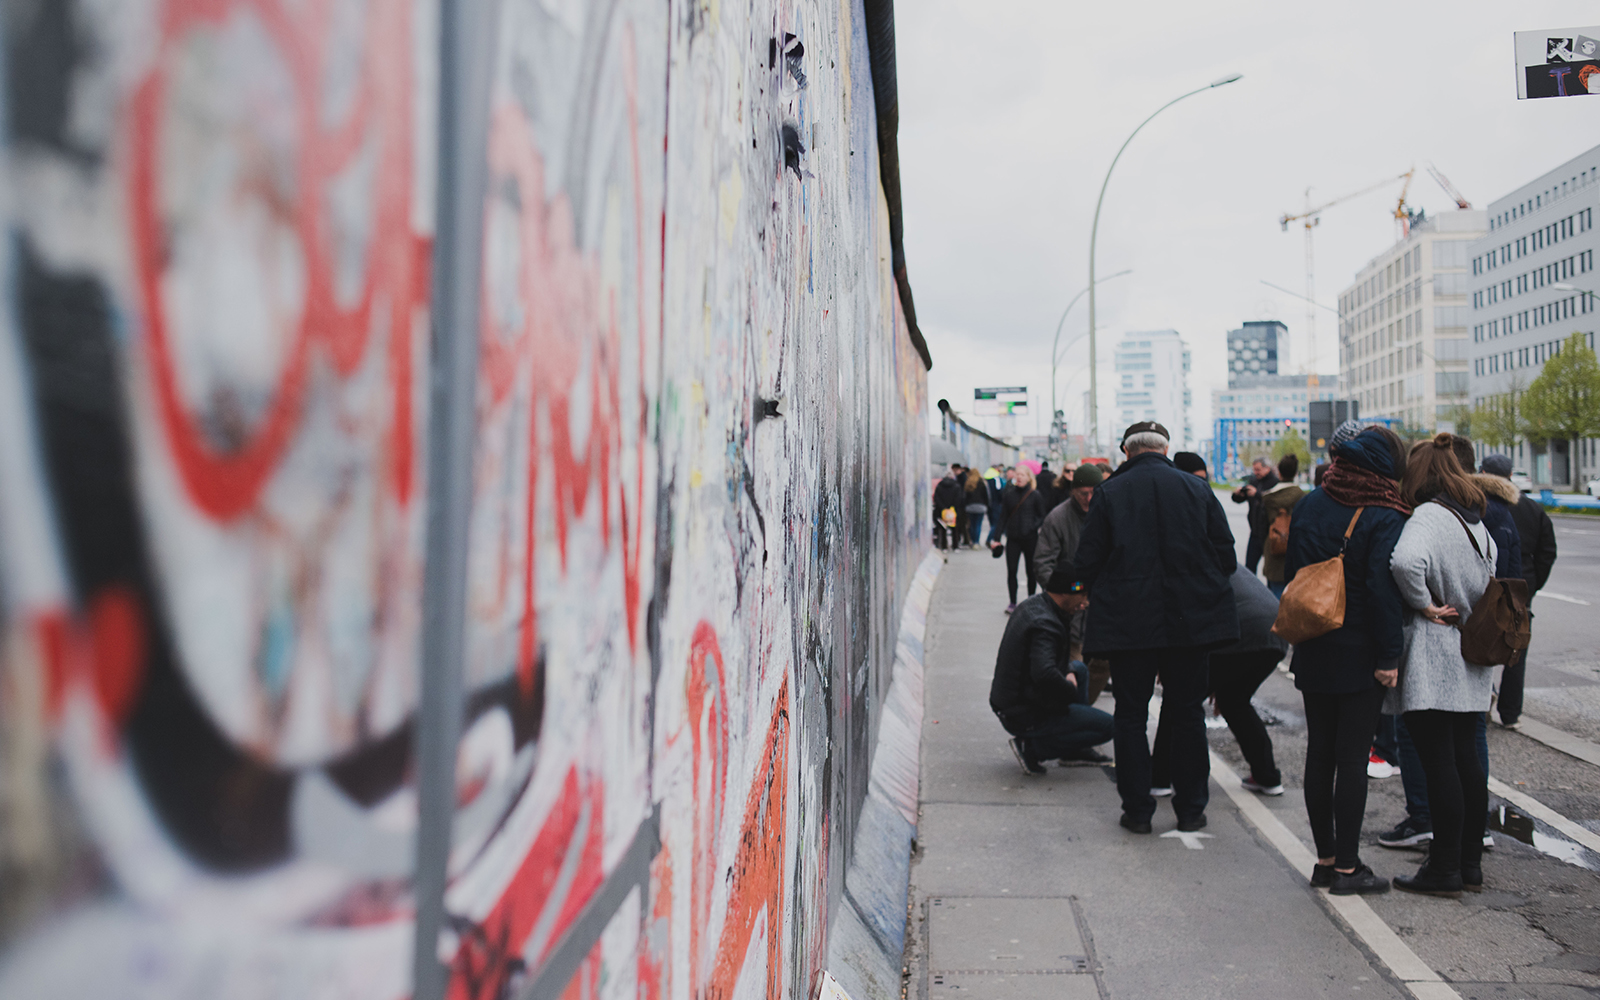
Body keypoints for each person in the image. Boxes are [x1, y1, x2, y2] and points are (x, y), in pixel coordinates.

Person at [1064, 422, 1238, 835]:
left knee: (1130, 716)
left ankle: (1138, 811)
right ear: (1166, 449)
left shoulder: (1109, 493)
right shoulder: (1198, 490)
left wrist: (1086, 588)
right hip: (1190, 624)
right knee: (1186, 713)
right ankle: (1192, 808)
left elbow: (1086, 562)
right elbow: (1226, 558)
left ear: (1126, 451)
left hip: (1129, 626)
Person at [1283, 425, 1409, 896]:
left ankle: (1325, 859)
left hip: (1314, 643)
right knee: (1352, 759)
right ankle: (1350, 869)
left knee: (1320, 753)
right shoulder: (1383, 512)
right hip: (1359, 652)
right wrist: (1389, 655)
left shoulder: (1312, 502)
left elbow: (1297, 570)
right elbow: (1381, 591)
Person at [1386, 433, 1497, 898]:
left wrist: (1424, 604)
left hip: (1435, 654)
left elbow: (1405, 561)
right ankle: (1468, 863)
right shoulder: (1476, 523)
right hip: (1471, 654)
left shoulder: (1430, 516)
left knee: (1438, 765)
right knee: (1466, 760)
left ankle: (1444, 868)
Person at [1152, 561, 1288, 795]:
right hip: (1276, 633)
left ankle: (1159, 778)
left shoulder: (1188, 567)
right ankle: (1267, 777)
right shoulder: (1225, 562)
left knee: (1178, 700)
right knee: (1235, 702)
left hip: (1238, 632)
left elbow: (1184, 620)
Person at [990, 565, 1117, 774]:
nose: (1085, 603)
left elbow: (1049, 660)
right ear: (1066, 593)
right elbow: (1044, 673)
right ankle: (1033, 749)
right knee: (1110, 726)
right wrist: (1069, 690)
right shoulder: (1045, 624)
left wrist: (1067, 669)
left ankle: (1073, 750)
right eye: (1082, 596)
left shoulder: (1038, 605)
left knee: (1079, 669)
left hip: (1013, 700)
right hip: (1023, 712)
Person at [1482, 453, 1557, 729]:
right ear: (1511, 476)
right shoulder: (1532, 509)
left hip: (1485, 586)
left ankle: (1483, 696)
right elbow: (1547, 551)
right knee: (1516, 647)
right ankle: (1511, 713)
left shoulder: (1478, 504)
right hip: (1520, 589)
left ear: (1483, 472)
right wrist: (1533, 584)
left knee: (1479, 641)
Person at [1033, 464, 1107, 704]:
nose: (1088, 498)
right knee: (1072, 667)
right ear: (1073, 491)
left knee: (1102, 666)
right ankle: (1070, 719)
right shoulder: (1058, 518)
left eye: (1093, 492)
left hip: (1102, 610)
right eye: (1082, 493)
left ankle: (1082, 709)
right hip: (1071, 610)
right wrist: (1067, 596)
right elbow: (1043, 563)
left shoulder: (1109, 515)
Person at [992, 467, 1047, 612]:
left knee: (1031, 571)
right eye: (1018, 475)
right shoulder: (1009, 495)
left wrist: (1032, 526)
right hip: (1013, 539)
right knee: (1011, 571)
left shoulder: (1035, 495)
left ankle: (1031, 600)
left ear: (1029, 478)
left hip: (1030, 539)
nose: (1020, 477)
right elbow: (1002, 517)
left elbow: (1042, 516)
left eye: (1023, 475)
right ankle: (1012, 602)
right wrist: (996, 538)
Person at [1259, 453, 1306, 597]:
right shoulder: (1302, 497)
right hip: (1294, 551)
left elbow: (1260, 526)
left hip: (1273, 549)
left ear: (1278, 472)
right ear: (1296, 473)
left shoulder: (1267, 497)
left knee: (1275, 596)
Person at [1232, 457, 1279, 573]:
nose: (1255, 473)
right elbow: (1238, 500)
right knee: (1249, 568)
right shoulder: (1253, 481)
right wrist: (1238, 495)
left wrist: (1258, 494)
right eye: (1254, 470)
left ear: (1267, 468)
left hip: (1269, 533)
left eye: (1258, 470)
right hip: (1255, 532)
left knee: (1270, 569)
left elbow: (1274, 502)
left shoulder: (1275, 483)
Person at [933, 464, 964, 551]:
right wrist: (952, 507)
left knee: (943, 529)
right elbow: (959, 498)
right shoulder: (956, 485)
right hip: (953, 510)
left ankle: (944, 546)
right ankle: (955, 546)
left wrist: (943, 507)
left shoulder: (939, 486)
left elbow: (936, 498)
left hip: (941, 510)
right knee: (955, 529)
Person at [963, 468, 991, 548]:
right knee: (978, 524)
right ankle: (976, 542)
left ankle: (972, 541)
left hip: (970, 506)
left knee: (972, 524)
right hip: (980, 506)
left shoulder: (968, 482)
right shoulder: (982, 482)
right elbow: (986, 495)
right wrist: (987, 505)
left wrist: (965, 505)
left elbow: (965, 496)